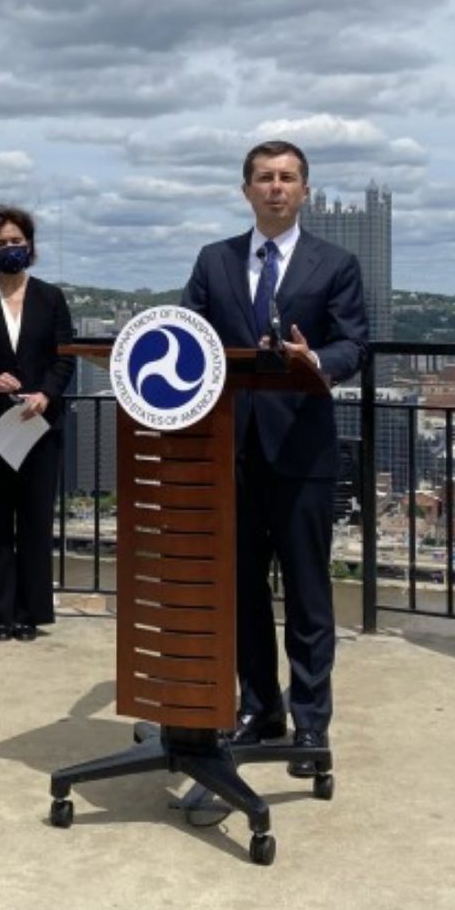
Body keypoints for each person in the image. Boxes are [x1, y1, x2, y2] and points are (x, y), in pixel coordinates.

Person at [181, 140, 367, 766]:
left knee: (309, 593)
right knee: (243, 593)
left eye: (288, 178)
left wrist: (314, 360)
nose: (276, 187)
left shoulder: (335, 263)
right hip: (228, 451)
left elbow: (353, 344)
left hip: (302, 450)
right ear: (247, 191)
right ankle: (259, 707)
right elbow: (190, 338)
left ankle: (311, 720)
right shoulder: (214, 261)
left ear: (305, 191)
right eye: (264, 178)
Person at [0, 205, 76, 641]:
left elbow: (64, 357)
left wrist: (47, 393)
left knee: (36, 521)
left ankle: (32, 613)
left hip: (40, 426)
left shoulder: (51, 298)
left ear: (31, 246)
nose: (11, 249)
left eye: (17, 242)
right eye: (2, 243)